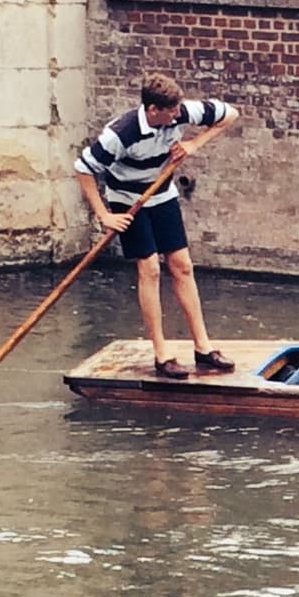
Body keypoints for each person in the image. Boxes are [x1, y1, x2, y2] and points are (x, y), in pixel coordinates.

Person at [75, 71, 240, 380]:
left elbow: (230, 114)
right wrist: (104, 215)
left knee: (182, 266)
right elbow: (83, 168)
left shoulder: (180, 111)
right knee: (149, 268)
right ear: (153, 110)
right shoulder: (120, 134)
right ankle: (162, 355)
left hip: (161, 193)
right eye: (171, 113)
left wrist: (195, 143)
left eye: (179, 111)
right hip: (127, 198)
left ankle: (204, 349)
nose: (178, 116)